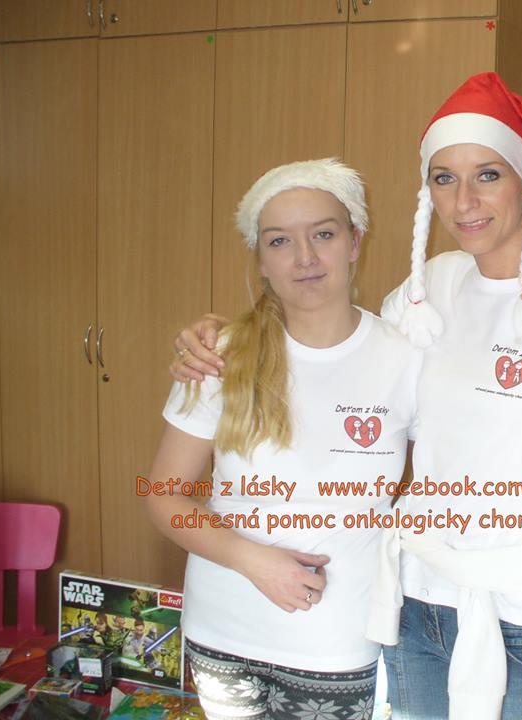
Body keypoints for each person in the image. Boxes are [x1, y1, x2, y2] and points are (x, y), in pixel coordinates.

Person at [171, 73, 522, 720]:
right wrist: (223, 338)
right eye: (443, 178)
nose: (464, 201)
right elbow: (339, 351)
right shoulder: (432, 285)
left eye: (487, 175)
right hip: (415, 605)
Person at [145, 159, 419, 720]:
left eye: (324, 234)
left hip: (338, 642)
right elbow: (163, 497)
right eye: (280, 241)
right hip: (222, 635)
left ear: (355, 242)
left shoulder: (405, 359)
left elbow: (462, 462)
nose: (305, 257)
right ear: (262, 260)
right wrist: (254, 561)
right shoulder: (220, 356)